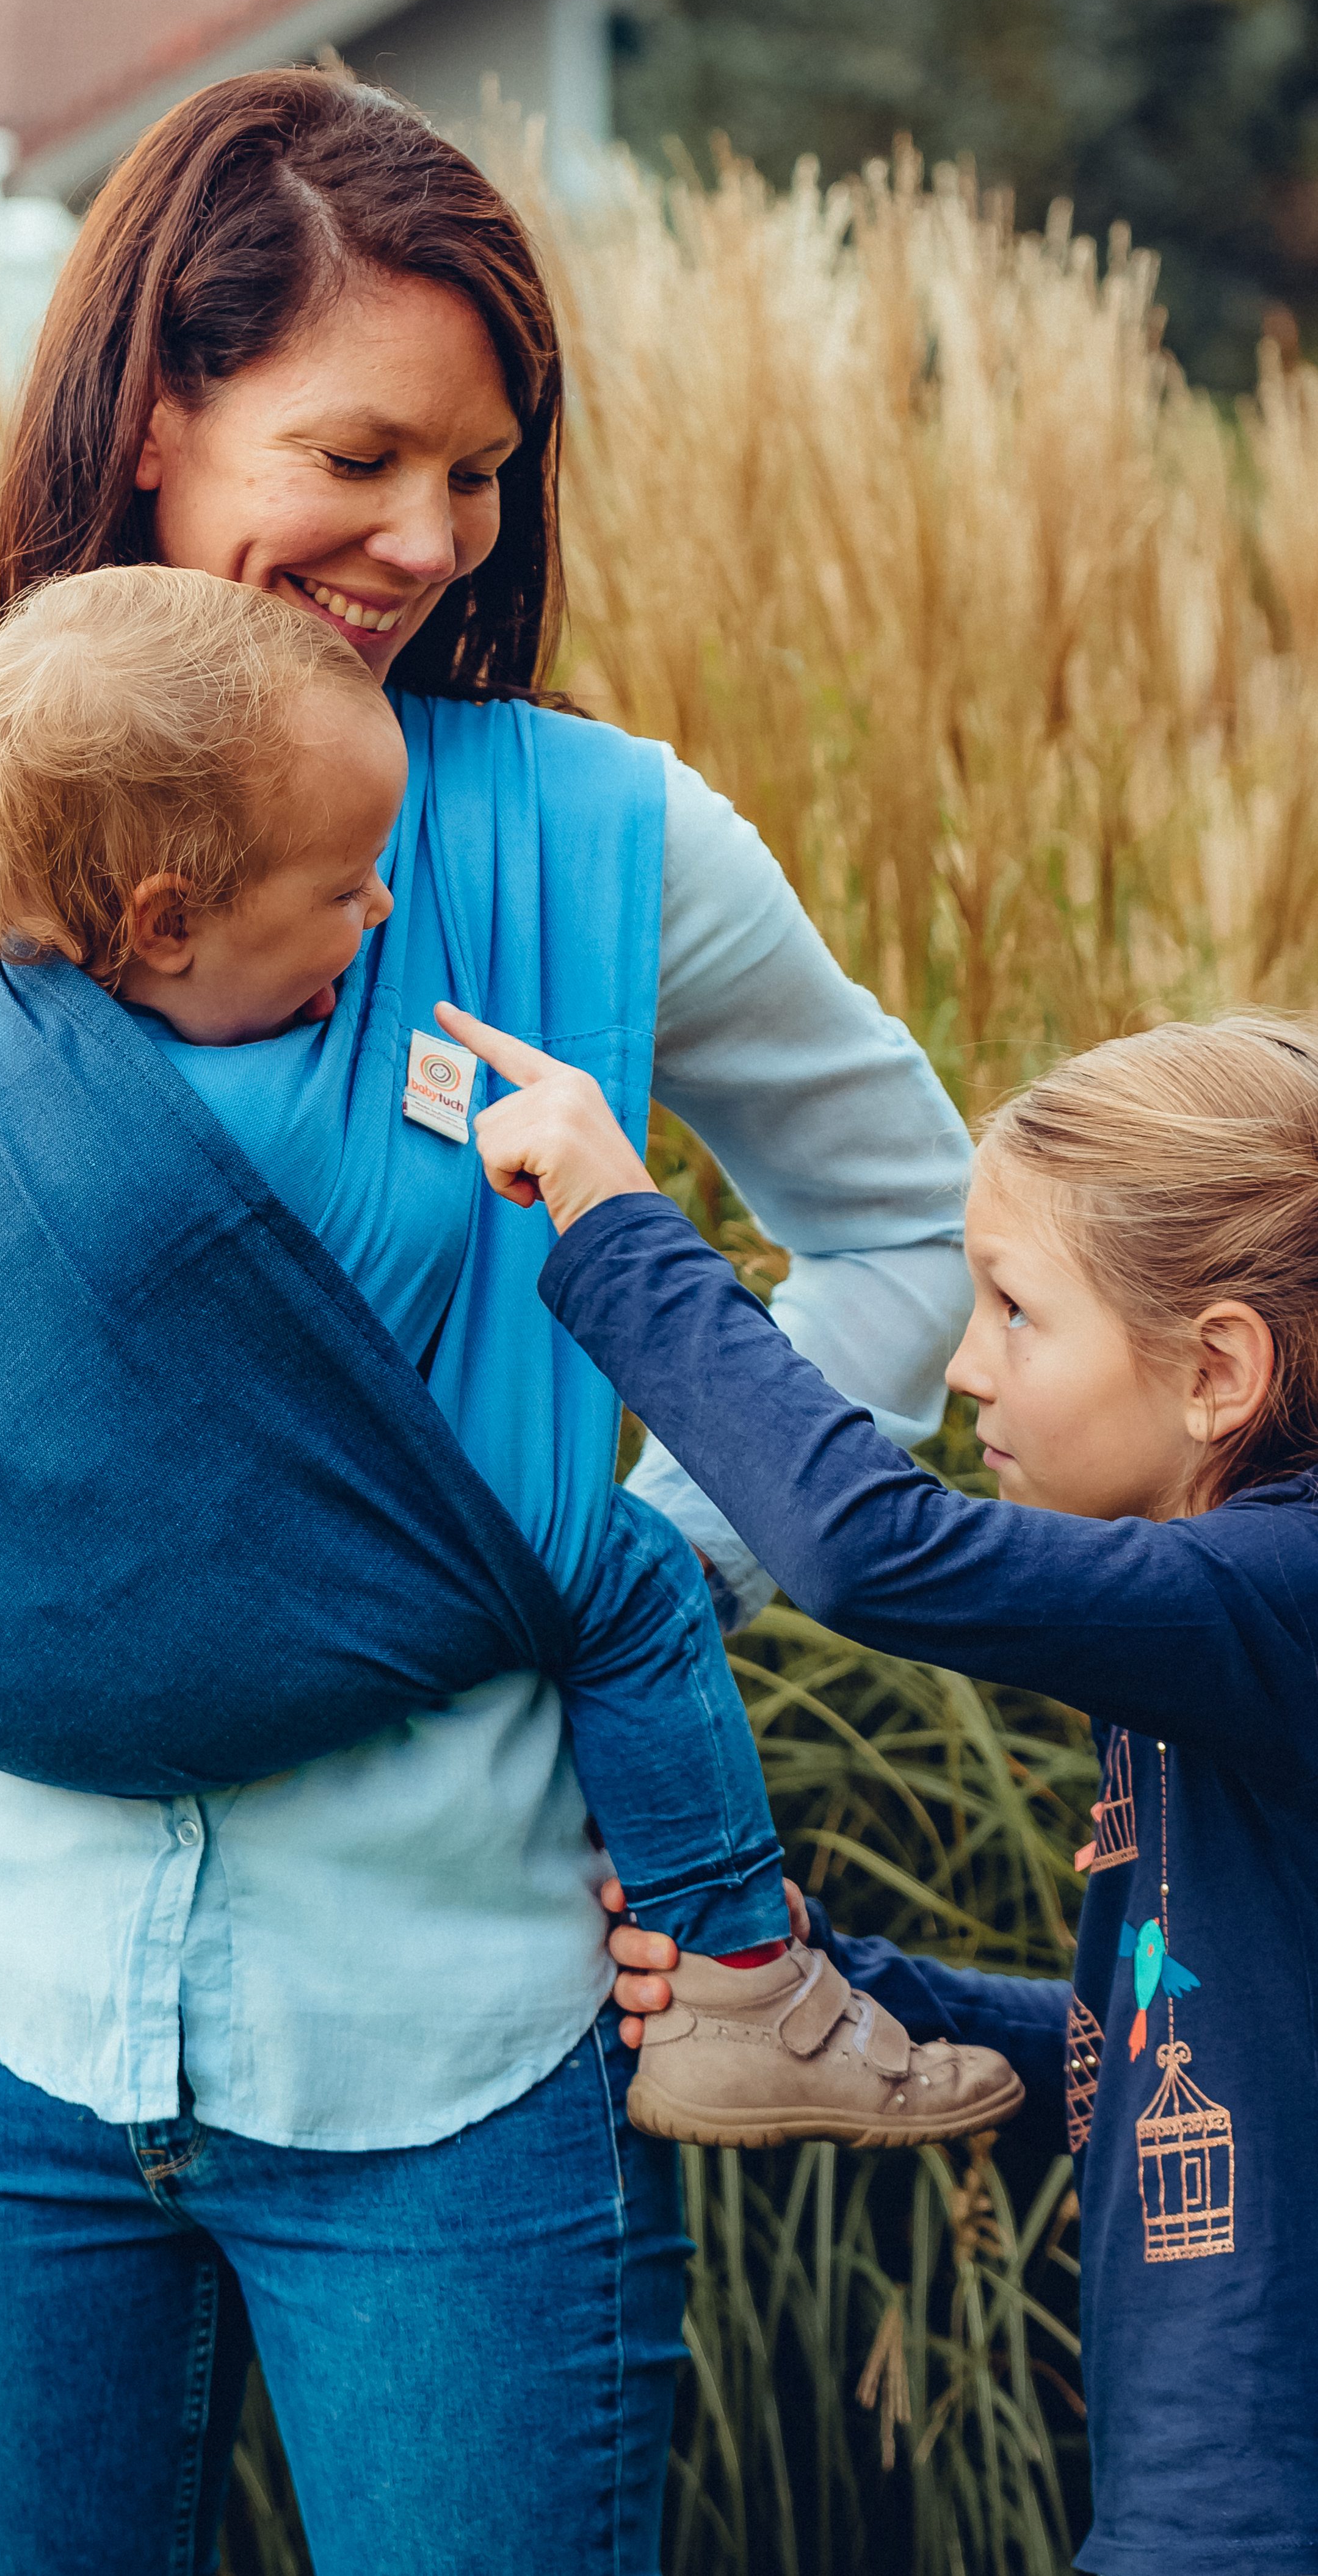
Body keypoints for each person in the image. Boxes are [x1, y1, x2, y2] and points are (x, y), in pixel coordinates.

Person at [0, 69, 981, 2576]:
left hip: (460, 2021)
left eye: (476, 475)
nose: (424, 539)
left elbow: (908, 1223)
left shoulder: (607, 838)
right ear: (153, 412)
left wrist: (659, 1557)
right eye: (359, 452)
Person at [0, 561, 1021, 2166]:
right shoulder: (319, 1099)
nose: (381, 913)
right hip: (69, 1945)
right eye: (344, 892)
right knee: (630, 1585)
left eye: (474, 468)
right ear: (169, 917)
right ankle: (740, 1982)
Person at [447, 998, 1318, 2576]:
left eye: (1012, 1308)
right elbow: (1177, 2061)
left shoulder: (1287, 1594)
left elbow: (870, 1547)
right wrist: (847, 1977)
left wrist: (612, 1217)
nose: (966, 1359)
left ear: (1219, 1369)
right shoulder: (1232, 1644)